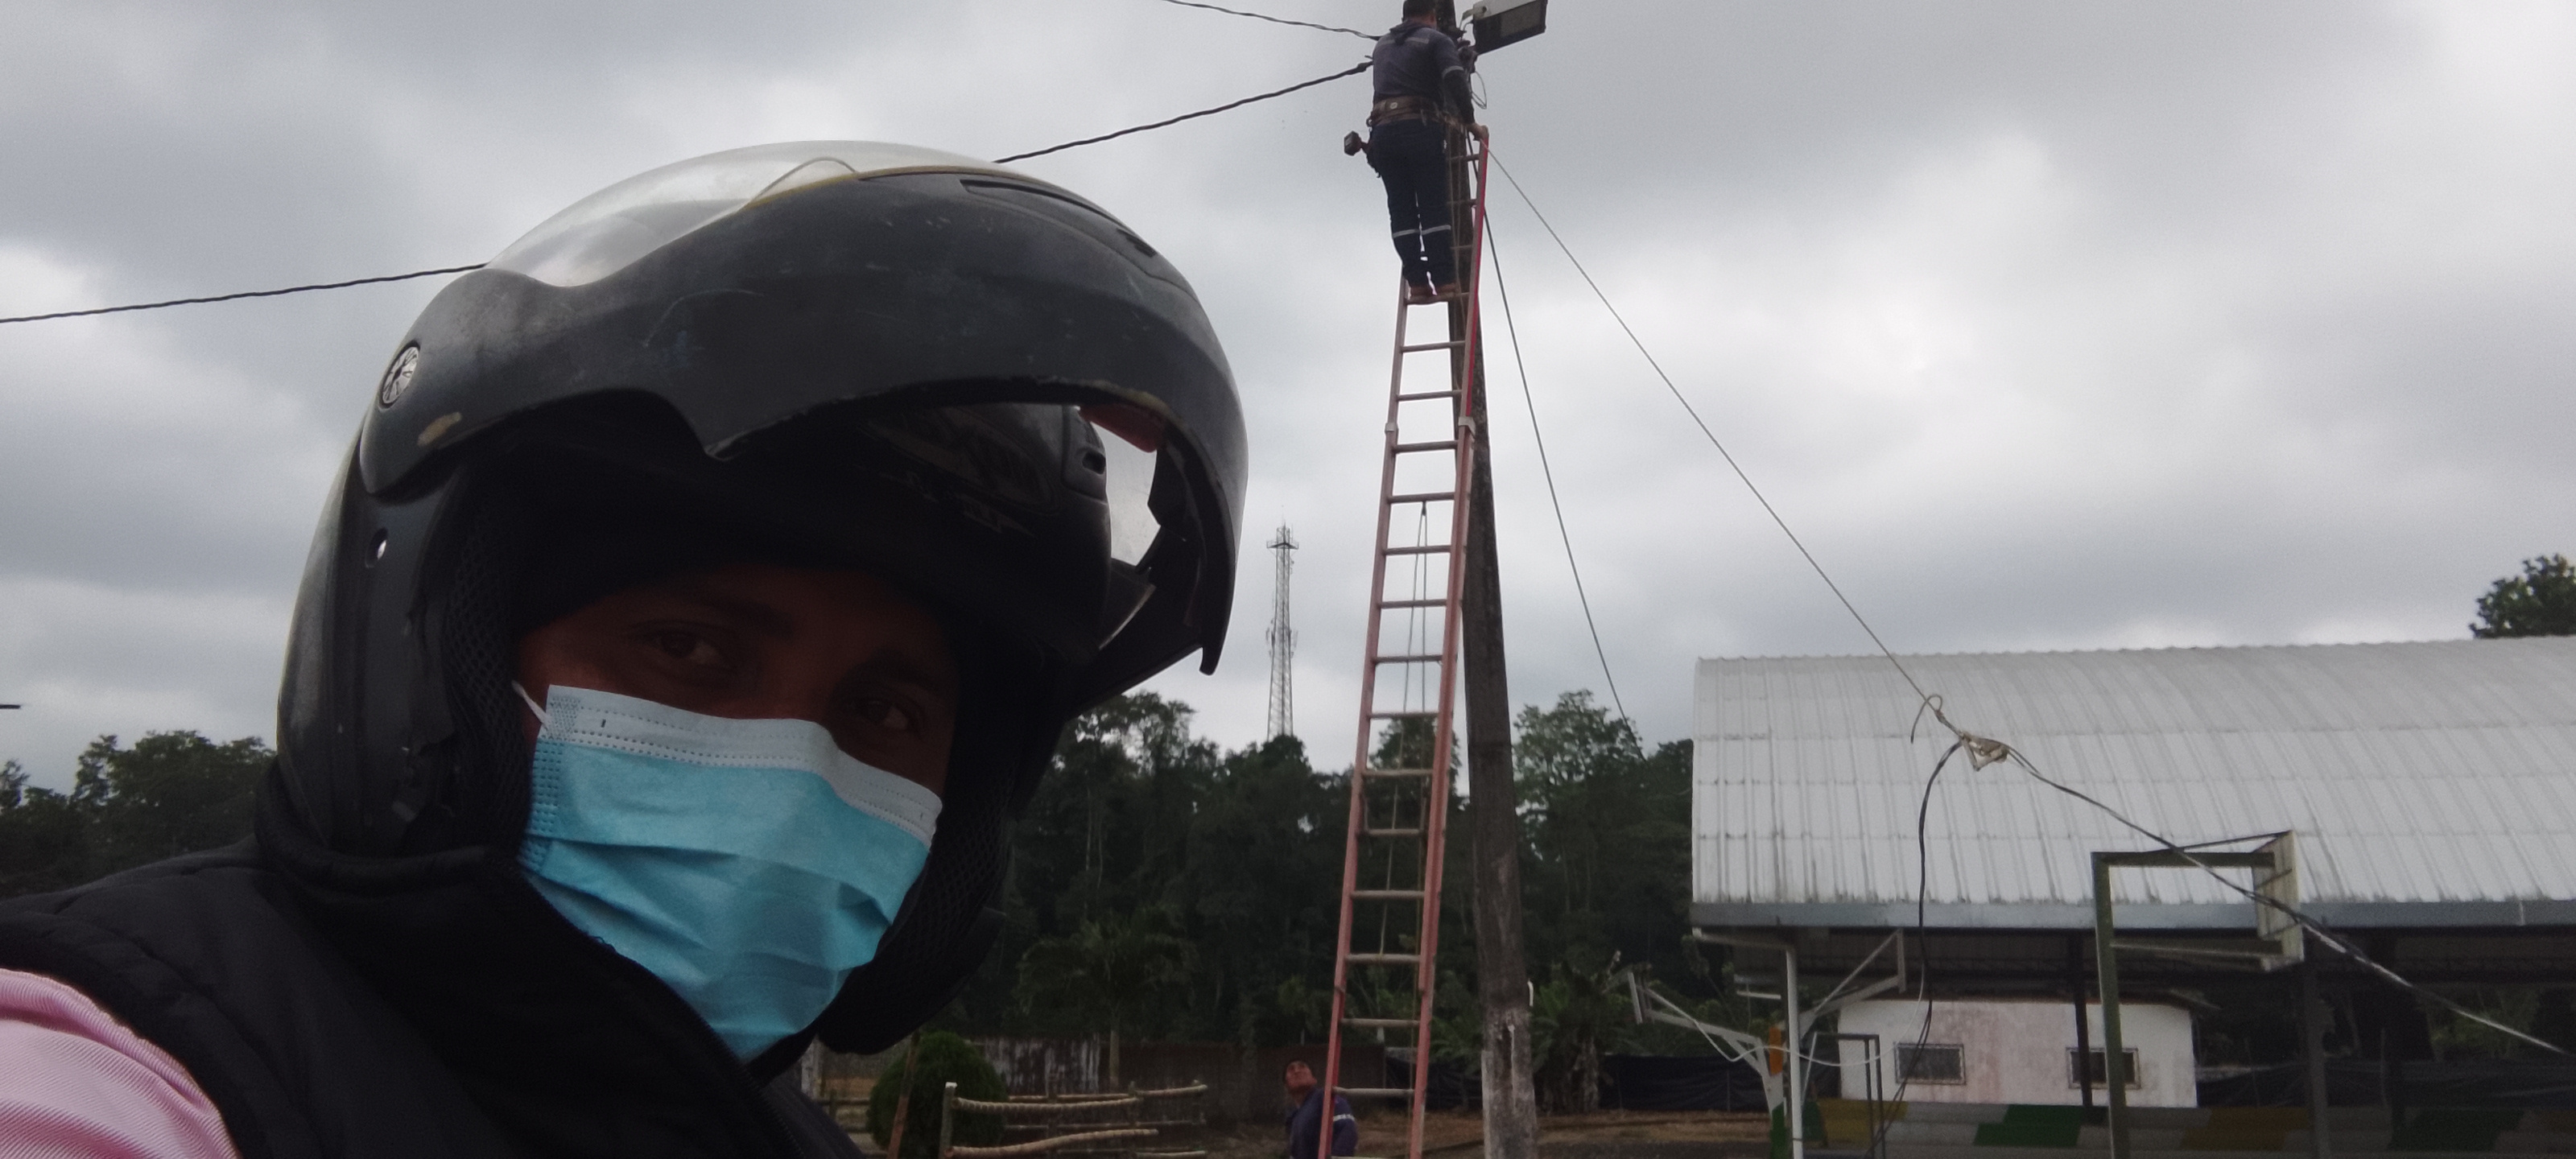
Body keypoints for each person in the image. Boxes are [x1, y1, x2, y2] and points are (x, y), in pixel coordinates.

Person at [0, 142, 1246, 1159]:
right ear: (432, 672)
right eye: (691, 648)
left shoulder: (773, 1133)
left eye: (885, 712)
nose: (791, 777)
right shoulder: (135, 1057)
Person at [1363, 0, 1484, 304]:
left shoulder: (1382, 46)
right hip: (1418, 128)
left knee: (1401, 210)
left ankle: (1416, 284)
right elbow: (1453, 77)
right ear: (1432, 16)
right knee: (1432, 207)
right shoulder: (1436, 39)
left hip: (1383, 133)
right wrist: (1470, 122)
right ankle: (1445, 282)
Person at [1282, 1059, 1358, 1159]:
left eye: (1302, 1067)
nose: (1297, 1071)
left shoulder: (1324, 1097)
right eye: (1291, 1069)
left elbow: (1346, 1128)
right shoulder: (1293, 1118)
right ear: (1286, 1085)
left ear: (1314, 1079)